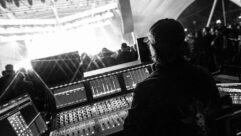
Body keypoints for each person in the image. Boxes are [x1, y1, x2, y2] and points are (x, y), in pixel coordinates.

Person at [124, 19, 221, 136]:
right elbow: (215, 110)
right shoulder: (204, 74)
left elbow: (131, 130)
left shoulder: (146, 89)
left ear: (154, 48)